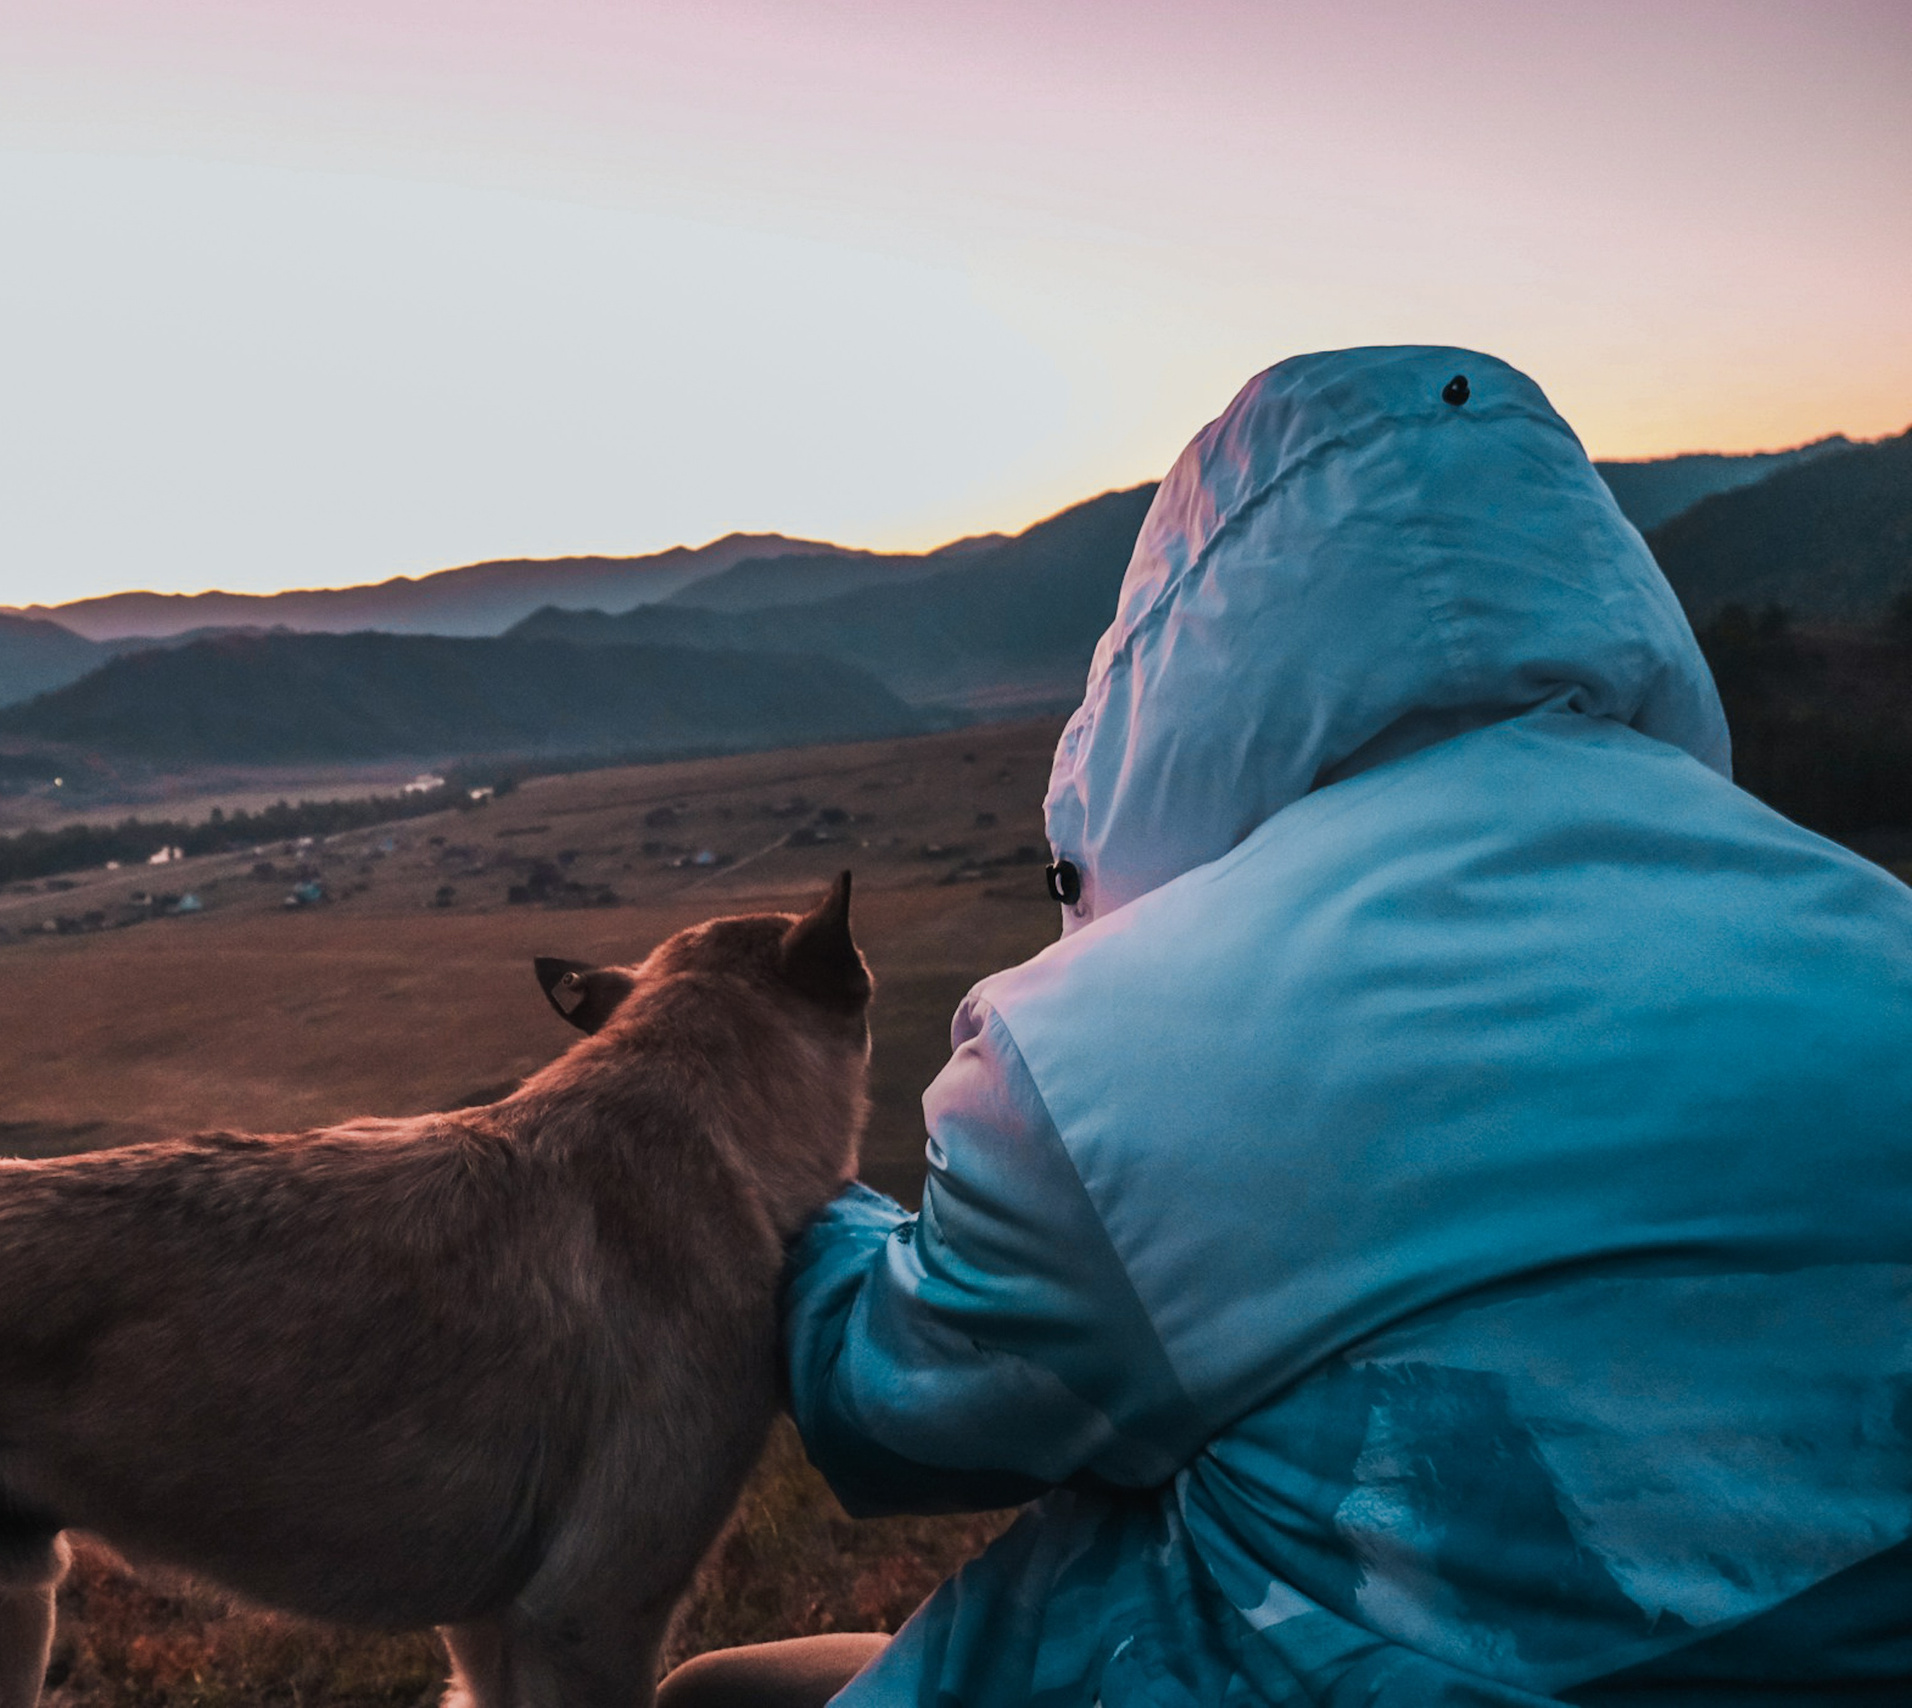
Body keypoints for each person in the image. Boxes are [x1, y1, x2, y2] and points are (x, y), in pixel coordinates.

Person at [660, 346, 1912, 1706]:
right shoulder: (1878, 933)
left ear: (1186, 657)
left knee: (716, 1696)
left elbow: (895, 1414)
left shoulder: (1102, 1062)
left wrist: (809, 1215)